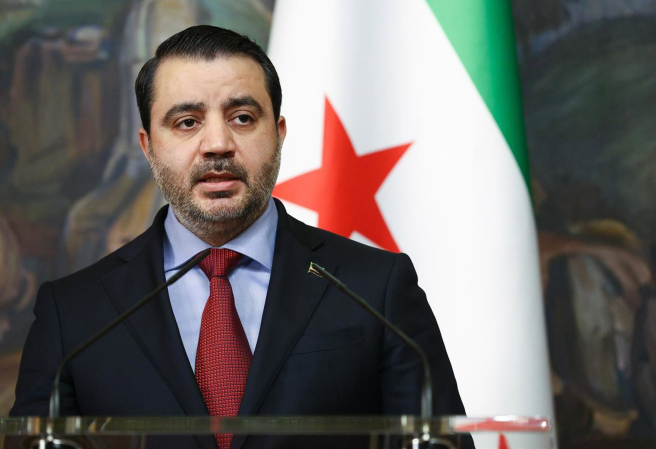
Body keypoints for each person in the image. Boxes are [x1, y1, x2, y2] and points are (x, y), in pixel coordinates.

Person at [10, 26, 468, 449]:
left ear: (279, 135)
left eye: (243, 118)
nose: (217, 144)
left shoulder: (374, 288)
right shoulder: (74, 315)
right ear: (149, 147)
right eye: (187, 122)